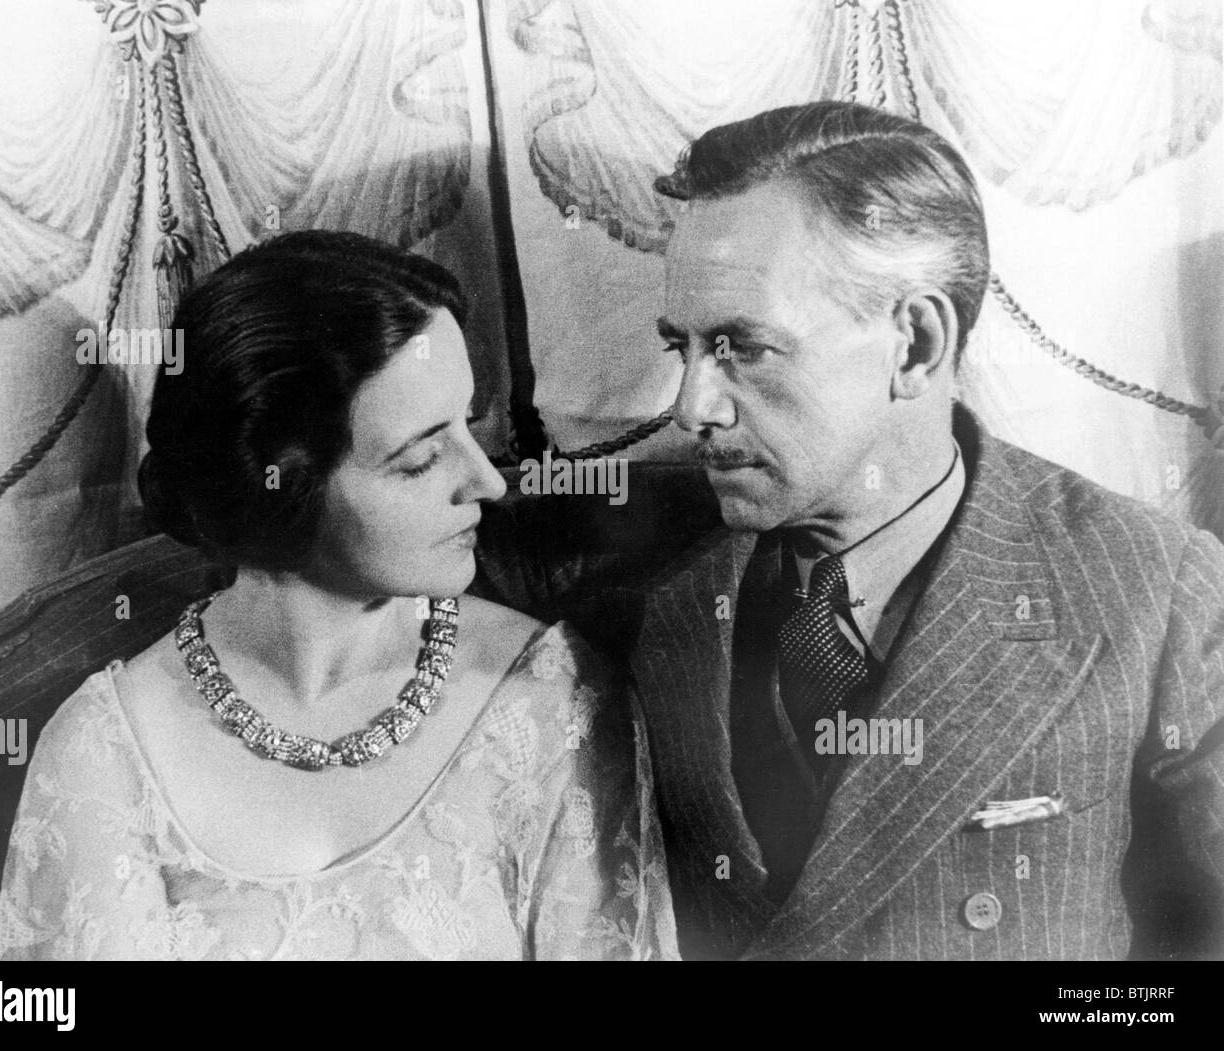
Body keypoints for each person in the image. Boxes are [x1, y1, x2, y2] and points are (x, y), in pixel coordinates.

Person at [473, 101, 1224, 960]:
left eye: (742, 347)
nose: (690, 407)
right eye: (680, 347)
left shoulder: (1153, 591)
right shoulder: (617, 548)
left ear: (915, 343)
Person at [0, 231, 676, 961]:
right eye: (419, 458)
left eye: (469, 424)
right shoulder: (106, 752)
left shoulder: (549, 704)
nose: (488, 481)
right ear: (283, 484)